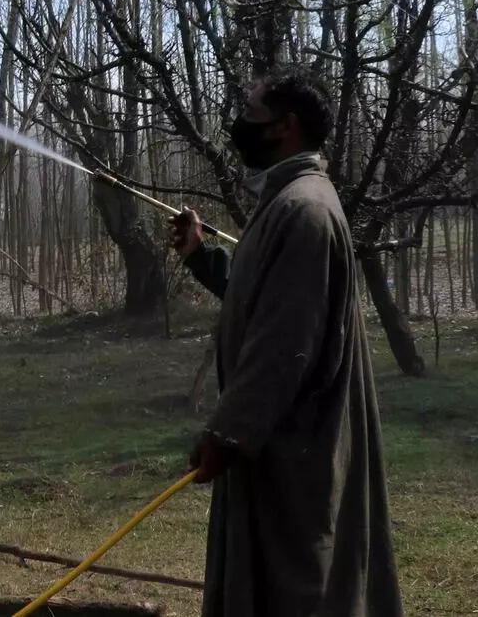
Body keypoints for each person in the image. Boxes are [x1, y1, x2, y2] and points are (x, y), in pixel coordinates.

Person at [171, 71, 403, 617]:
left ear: (287, 126)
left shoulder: (305, 210)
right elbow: (266, 296)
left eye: (251, 112)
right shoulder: (289, 203)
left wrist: (230, 431)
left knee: (297, 587)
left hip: (295, 446)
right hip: (275, 442)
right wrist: (203, 257)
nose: (240, 125)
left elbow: (285, 340)